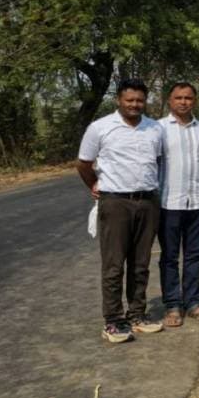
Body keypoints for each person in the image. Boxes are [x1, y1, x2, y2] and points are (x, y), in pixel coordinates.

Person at [76, 78, 165, 343]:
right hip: (115, 202)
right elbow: (83, 163)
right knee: (114, 265)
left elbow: (158, 161)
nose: (135, 105)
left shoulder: (154, 129)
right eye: (130, 100)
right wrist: (93, 183)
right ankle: (113, 321)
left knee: (141, 264)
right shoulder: (100, 128)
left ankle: (137, 315)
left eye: (139, 100)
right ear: (119, 100)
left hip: (147, 202)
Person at [156, 82, 199, 328]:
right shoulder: (158, 129)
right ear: (170, 100)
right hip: (168, 202)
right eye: (178, 98)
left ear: (195, 100)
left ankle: (192, 303)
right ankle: (172, 305)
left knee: (194, 256)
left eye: (188, 98)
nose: (183, 102)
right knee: (169, 257)